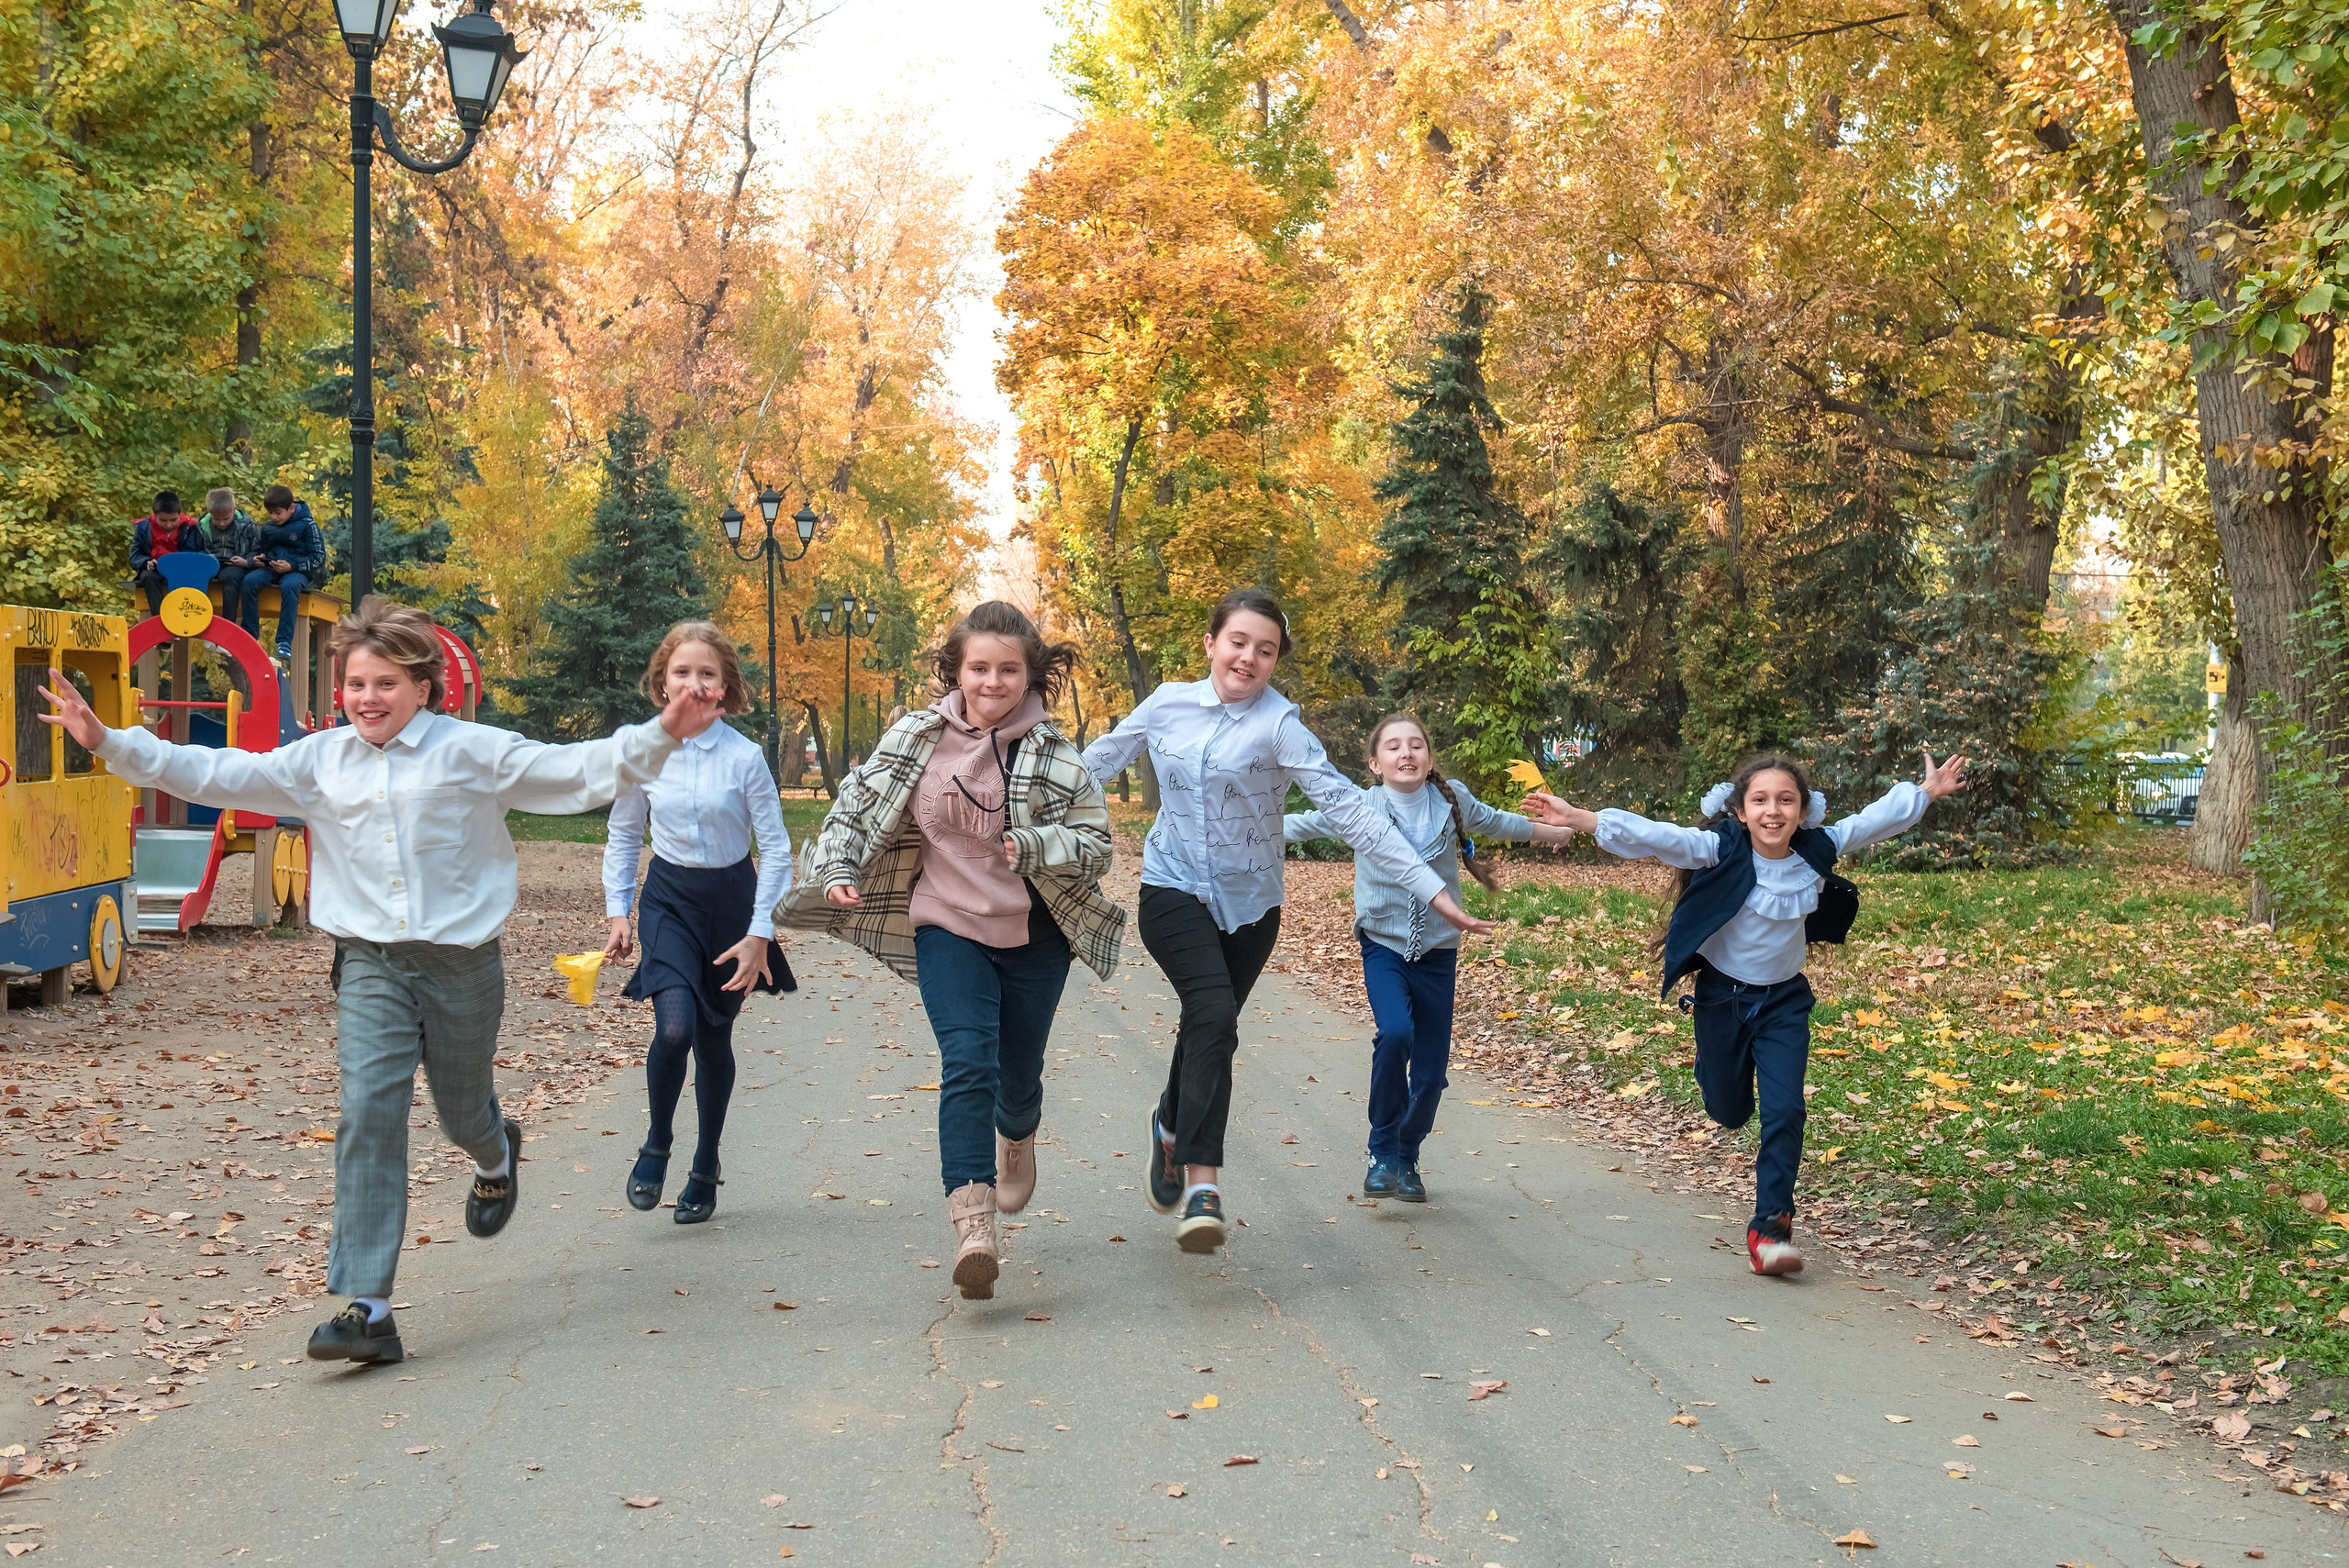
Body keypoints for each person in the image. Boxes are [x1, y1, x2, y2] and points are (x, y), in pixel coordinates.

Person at [38, 598, 717, 1364]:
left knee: (462, 1111)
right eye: (357, 683)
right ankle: (369, 1307)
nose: (369, 698)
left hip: (462, 964)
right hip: (369, 962)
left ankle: (495, 1154)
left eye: (386, 682)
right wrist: (110, 743)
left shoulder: (472, 752)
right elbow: (222, 770)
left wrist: (662, 731)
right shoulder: (320, 761)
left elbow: (577, 769)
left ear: (423, 687)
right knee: (367, 1111)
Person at [1080, 588, 1493, 1254]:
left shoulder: (1281, 727)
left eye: (1265, 649)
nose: (1249, 657)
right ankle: (1203, 1183)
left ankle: (1168, 1123)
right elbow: (1094, 765)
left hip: (1251, 909)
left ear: (1275, 660)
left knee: (1207, 1022)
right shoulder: (1165, 704)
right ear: (1211, 643)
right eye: (1238, 641)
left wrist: (1430, 887)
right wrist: (1019, 813)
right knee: (1212, 1013)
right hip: (1171, 886)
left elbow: (1352, 812)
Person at [778, 600, 1121, 1300]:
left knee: (1016, 1072)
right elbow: (856, 803)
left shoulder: (1056, 754)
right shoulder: (918, 735)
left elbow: (1097, 845)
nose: (992, 682)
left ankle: (1017, 1134)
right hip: (947, 925)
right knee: (967, 1059)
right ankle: (974, 1226)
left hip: (1035, 936)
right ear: (956, 670)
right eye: (979, 667)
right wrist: (839, 866)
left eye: (1008, 670)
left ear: (1029, 676)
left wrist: (1032, 844)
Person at [1519, 749, 1967, 1275]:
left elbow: (1871, 821)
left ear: (1803, 812)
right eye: (1760, 800)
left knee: (1785, 1109)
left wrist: (1926, 792)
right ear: (1739, 810)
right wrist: (1581, 818)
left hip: (1784, 1002)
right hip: (1720, 1000)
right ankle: (1714, 1070)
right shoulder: (1718, 848)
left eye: (1786, 801)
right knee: (1729, 1112)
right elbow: (1659, 836)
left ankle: (1771, 1227)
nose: (1773, 811)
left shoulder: (1817, 848)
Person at [1283, 713, 1574, 1203]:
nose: (1406, 753)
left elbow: (1498, 822)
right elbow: (1304, 823)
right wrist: (1237, 826)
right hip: (1383, 944)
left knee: (1433, 1073)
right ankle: (1381, 1151)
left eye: (1416, 745)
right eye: (1393, 747)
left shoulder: (1449, 798)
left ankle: (1407, 1154)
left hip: (1439, 950)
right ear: (1376, 763)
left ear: (1429, 758)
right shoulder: (1360, 804)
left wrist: (1554, 834)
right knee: (1395, 1033)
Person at [603, 622, 797, 1227]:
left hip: (732, 905)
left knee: (715, 1039)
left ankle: (706, 1161)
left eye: (706, 673)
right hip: (668, 898)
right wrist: (617, 910)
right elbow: (623, 832)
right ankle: (657, 1141)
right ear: (663, 681)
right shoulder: (642, 750)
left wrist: (760, 930)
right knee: (676, 1026)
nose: (693, 682)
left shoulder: (745, 757)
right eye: (681, 672)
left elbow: (777, 849)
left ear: (725, 687)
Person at [243, 485, 326, 662]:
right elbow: (261, 550)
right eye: (271, 513)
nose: (274, 517)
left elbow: (318, 558)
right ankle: (250, 634)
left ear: (292, 508)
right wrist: (258, 559)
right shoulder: (268, 528)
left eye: (278, 513)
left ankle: (284, 642)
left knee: (289, 586)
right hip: (271, 568)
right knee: (249, 581)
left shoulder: (308, 525)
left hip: (296, 571)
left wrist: (292, 566)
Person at [202, 488, 265, 639]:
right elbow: (194, 548)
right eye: (217, 519)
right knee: (197, 577)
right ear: (210, 513)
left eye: (226, 518)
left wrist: (246, 561)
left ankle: (227, 626)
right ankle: (201, 624)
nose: (222, 523)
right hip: (210, 565)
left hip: (236, 566)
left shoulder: (247, 525)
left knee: (231, 577)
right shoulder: (202, 526)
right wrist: (204, 557)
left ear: (233, 510)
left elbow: (258, 549)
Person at [130, 492, 206, 613]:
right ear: (155, 516)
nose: (169, 524)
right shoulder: (143, 527)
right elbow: (135, 556)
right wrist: (146, 563)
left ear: (180, 514)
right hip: (155, 570)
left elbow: (191, 552)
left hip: (181, 569)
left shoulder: (189, 526)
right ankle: (159, 616)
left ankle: (184, 612)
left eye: (173, 520)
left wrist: (176, 563)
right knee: (147, 576)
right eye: (163, 520)